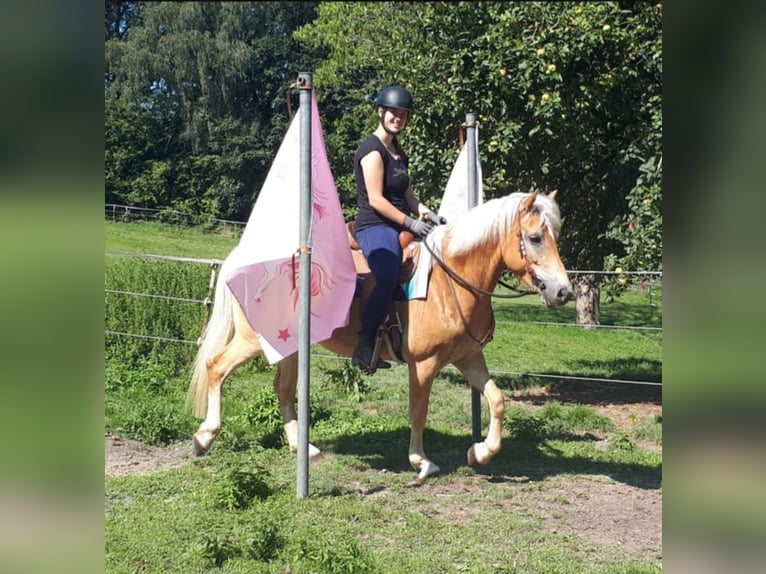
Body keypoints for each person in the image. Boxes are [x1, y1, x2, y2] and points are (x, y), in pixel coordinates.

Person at [351, 85, 437, 372]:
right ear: (380, 112)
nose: (398, 119)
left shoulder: (399, 153)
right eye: (393, 113)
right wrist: (409, 222)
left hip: (401, 225)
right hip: (375, 225)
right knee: (387, 275)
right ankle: (364, 345)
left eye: (403, 115)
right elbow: (376, 199)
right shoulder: (372, 151)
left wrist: (424, 212)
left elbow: (408, 196)